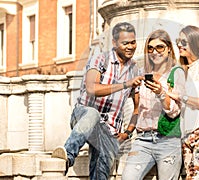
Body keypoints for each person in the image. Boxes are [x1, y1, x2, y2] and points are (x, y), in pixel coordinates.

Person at [51, 22, 143, 179]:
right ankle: (68, 156)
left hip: (108, 130)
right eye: (125, 43)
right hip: (84, 117)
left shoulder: (134, 69)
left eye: (133, 42)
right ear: (114, 43)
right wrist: (125, 84)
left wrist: (127, 133)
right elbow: (92, 89)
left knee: (100, 171)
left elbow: (138, 108)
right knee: (93, 114)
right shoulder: (100, 59)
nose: (130, 47)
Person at [121, 29, 185, 180]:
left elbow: (174, 112)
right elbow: (136, 109)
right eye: (150, 48)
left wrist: (161, 93)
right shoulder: (141, 73)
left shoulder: (176, 73)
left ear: (169, 48)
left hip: (168, 140)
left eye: (160, 47)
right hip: (142, 139)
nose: (154, 52)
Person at [167, 25, 199, 179]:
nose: (179, 45)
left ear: (195, 42)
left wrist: (181, 97)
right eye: (178, 41)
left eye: (184, 41)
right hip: (186, 132)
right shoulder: (184, 69)